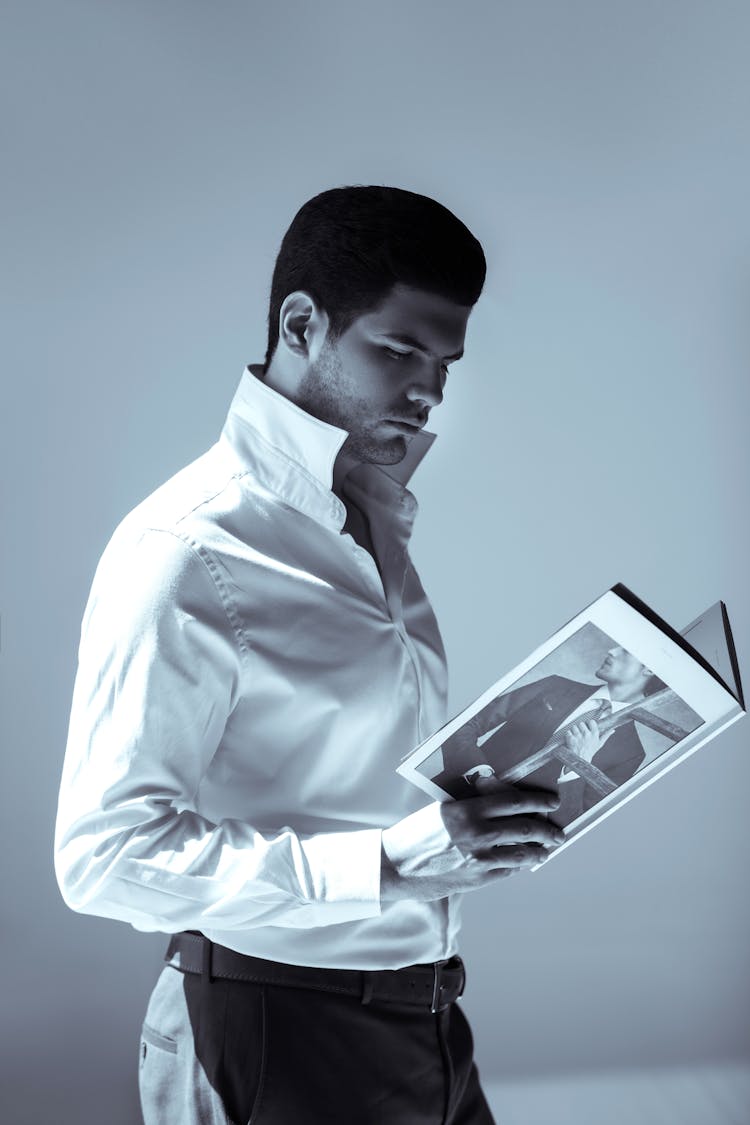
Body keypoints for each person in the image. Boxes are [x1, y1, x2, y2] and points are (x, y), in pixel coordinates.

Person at [54, 185, 565, 1125]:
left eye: (445, 362)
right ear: (301, 324)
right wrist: (387, 862)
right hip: (270, 1030)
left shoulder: (370, 516)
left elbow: (338, 777)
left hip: (428, 1019)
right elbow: (105, 856)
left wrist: (470, 823)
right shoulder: (186, 548)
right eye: (398, 350)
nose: (427, 390)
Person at [434, 645, 668, 825]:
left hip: (496, 833)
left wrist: (579, 765)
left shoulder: (631, 753)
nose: (612, 650)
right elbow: (462, 727)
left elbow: (568, 824)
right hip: (442, 796)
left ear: (649, 668)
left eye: (625, 650)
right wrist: (482, 776)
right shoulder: (554, 686)